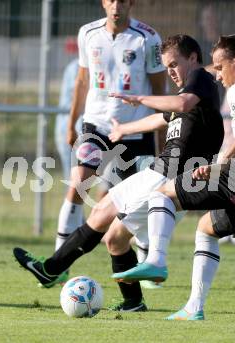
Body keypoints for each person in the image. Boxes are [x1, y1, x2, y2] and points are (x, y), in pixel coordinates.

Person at [13, 34, 224, 312]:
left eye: (174, 64)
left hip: (169, 177)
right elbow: (161, 118)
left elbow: (180, 105)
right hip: (165, 176)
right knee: (115, 239)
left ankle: (51, 269)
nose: (171, 72)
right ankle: (133, 302)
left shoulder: (200, 80)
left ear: (194, 58)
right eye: (167, 66)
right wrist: (124, 129)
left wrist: (140, 97)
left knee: (101, 211)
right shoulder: (190, 95)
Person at [112, 35, 235, 320]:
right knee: (206, 229)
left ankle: (156, 261)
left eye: (220, 68)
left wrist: (221, 163)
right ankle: (194, 308)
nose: (219, 76)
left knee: (162, 193)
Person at [51, 0, 166, 273]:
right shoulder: (88, 33)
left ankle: (146, 261)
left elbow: (160, 89)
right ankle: (59, 261)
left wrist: (161, 139)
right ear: (104, 2)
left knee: (139, 199)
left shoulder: (148, 38)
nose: (117, 6)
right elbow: (82, 80)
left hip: (135, 129)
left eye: (123, 1)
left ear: (131, 3)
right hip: (96, 125)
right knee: (79, 183)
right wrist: (71, 124)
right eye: (111, 0)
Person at [54, 38, 83, 182]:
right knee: (73, 181)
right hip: (72, 129)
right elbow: (79, 94)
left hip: (78, 128)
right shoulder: (76, 68)